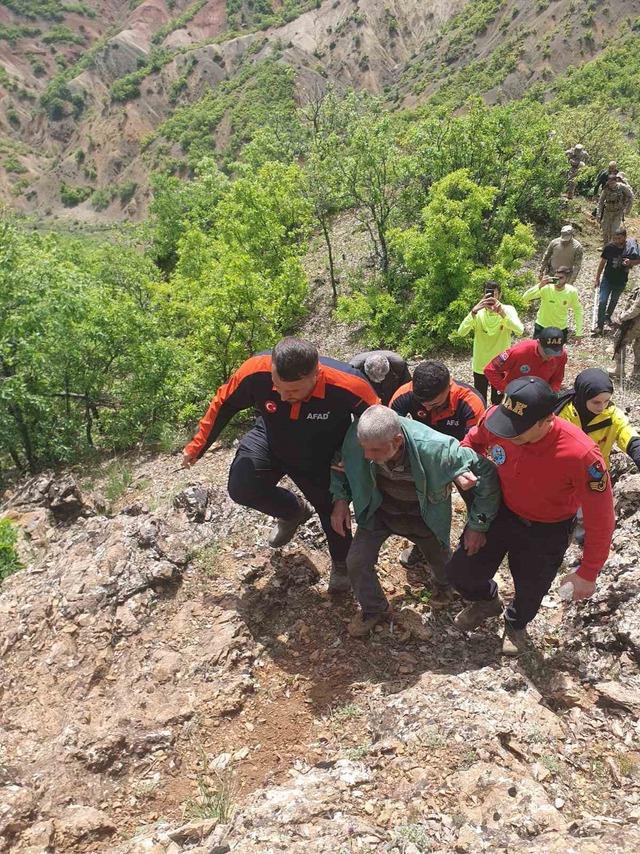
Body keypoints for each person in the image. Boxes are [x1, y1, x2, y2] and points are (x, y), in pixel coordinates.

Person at [182, 338, 379, 591]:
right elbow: (225, 401)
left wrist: (351, 455)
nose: (284, 397)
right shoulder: (255, 371)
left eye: (294, 391)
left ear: (316, 375)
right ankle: (292, 511)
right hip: (271, 436)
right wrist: (198, 446)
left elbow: (378, 420)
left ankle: (342, 563)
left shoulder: (349, 384)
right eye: (278, 388)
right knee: (242, 486)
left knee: (333, 511)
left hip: (321, 452)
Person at [446, 377, 615, 656]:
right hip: (501, 512)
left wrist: (589, 571)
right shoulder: (499, 420)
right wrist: (465, 465)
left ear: (546, 420)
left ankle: (515, 624)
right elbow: (472, 442)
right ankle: (487, 600)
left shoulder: (581, 455)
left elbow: (601, 517)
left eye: (518, 430)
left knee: (531, 589)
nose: (508, 434)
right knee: (460, 572)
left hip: (547, 530)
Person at [330, 405, 500, 635]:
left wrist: (478, 525)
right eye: (364, 449)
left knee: (441, 563)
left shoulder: (437, 448)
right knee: (356, 562)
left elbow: (486, 473)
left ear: (398, 440)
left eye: (375, 451)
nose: (367, 456)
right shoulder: (359, 437)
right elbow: (340, 465)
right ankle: (374, 608)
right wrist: (340, 499)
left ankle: (442, 588)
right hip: (379, 512)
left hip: (424, 516)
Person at [456, 281, 524, 405]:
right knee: (480, 400)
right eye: (488, 294)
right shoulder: (478, 313)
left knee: (498, 401)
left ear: (500, 295)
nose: (491, 297)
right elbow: (461, 332)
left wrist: (502, 313)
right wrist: (473, 313)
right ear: (483, 295)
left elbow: (520, 330)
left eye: (495, 294)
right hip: (480, 365)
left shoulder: (508, 310)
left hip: (501, 365)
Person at [390, 360, 485, 442]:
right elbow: (390, 432)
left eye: (434, 404)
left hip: (459, 448)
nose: (427, 408)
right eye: (421, 403)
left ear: (449, 386)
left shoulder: (471, 404)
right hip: (421, 445)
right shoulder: (402, 395)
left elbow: (476, 445)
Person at [483, 328, 567, 394]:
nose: (550, 356)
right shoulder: (518, 352)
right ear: (538, 342)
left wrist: (552, 393)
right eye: (547, 352)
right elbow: (490, 370)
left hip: (540, 395)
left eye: (554, 352)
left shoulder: (561, 355)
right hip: (515, 393)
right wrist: (506, 390)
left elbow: (557, 378)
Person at [592, 227, 640, 335]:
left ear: (625, 237)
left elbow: (638, 260)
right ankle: (599, 326)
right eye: (615, 238)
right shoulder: (609, 247)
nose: (617, 241)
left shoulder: (631, 248)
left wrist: (630, 262)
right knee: (602, 301)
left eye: (619, 238)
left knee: (614, 300)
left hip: (621, 281)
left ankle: (607, 316)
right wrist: (597, 278)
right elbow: (602, 262)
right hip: (607, 279)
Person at [523, 266, 583, 343]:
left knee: (556, 354)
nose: (557, 280)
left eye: (561, 278)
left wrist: (579, 333)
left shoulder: (572, 292)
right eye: (556, 277)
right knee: (537, 353)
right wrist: (539, 285)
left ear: (567, 279)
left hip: (560, 329)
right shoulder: (546, 288)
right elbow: (525, 297)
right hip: (541, 327)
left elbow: (578, 311)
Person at [609, 279, 640, 381]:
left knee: (620, 341)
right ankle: (636, 372)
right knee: (638, 345)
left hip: (635, 323)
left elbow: (635, 309)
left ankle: (619, 370)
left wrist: (621, 317)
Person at [596, 174, 634, 245]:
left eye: (612, 183)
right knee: (605, 229)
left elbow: (631, 196)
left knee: (614, 230)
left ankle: (612, 246)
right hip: (607, 212)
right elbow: (600, 202)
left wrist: (627, 209)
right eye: (609, 183)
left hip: (617, 212)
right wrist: (598, 213)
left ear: (615, 181)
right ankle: (606, 246)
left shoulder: (622, 187)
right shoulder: (606, 188)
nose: (611, 185)